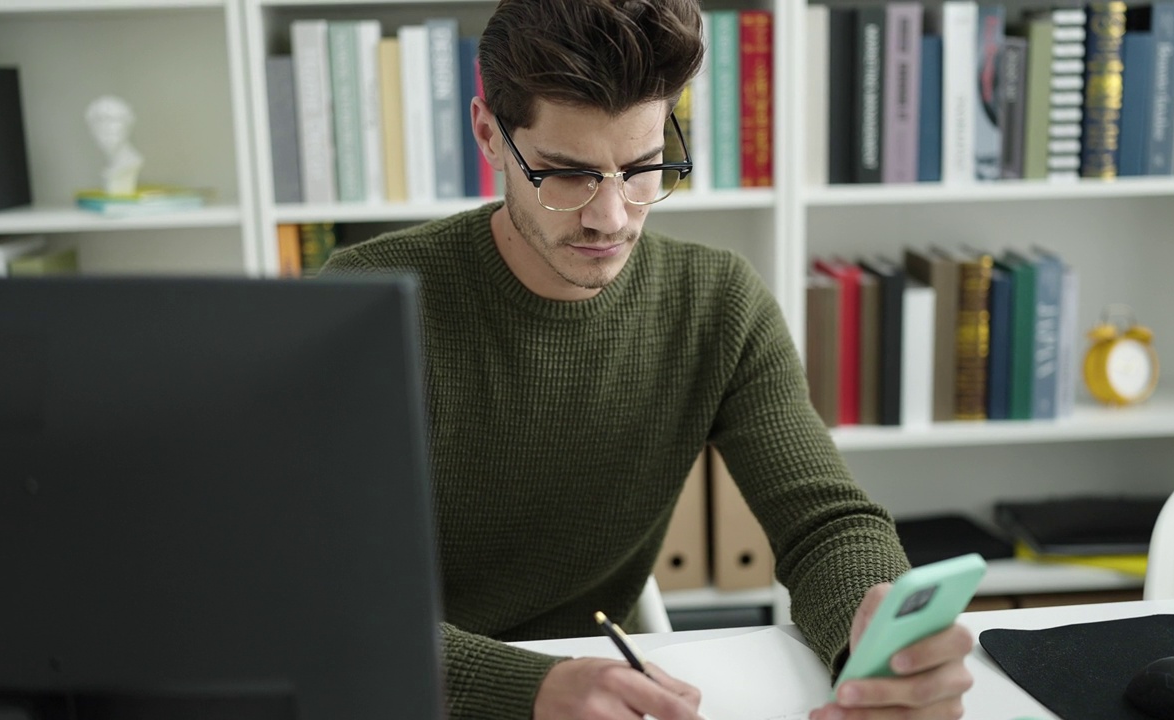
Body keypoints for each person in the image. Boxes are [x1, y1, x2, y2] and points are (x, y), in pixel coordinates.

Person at [320, 1, 974, 718]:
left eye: (641, 168)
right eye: (566, 176)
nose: (612, 216)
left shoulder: (717, 301)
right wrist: (527, 688)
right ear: (489, 134)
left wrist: (875, 650)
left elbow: (826, 524)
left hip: (604, 686)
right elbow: (314, 595)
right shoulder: (364, 303)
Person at [85, 95, 143, 195]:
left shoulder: (131, 161)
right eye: (100, 120)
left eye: (113, 119)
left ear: (127, 124)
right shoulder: (112, 162)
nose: (106, 127)